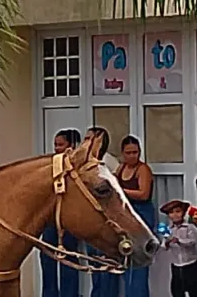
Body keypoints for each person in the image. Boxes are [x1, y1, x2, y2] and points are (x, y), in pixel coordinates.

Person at [41, 128, 82, 297]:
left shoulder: (78, 167)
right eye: (55, 145)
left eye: (61, 144)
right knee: (47, 262)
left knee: (69, 263)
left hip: (69, 221)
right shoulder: (51, 165)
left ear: (71, 146)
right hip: (51, 220)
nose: (57, 148)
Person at [116, 135, 154, 297]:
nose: (132, 156)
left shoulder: (143, 169)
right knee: (126, 261)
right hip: (125, 216)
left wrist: (121, 191)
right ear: (123, 153)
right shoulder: (121, 169)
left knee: (139, 263)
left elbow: (144, 194)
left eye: (135, 152)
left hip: (141, 215)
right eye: (129, 152)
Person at [85, 126, 120, 297]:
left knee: (107, 261)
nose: (84, 143)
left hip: (106, 217)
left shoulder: (109, 162)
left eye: (88, 139)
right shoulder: (84, 162)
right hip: (89, 217)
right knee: (93, 262)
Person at [160, 200, 197, 297]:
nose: (175, 215)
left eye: (178, 211)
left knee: (194, 291)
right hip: (176, 265)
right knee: (177, 291)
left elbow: (193, 242)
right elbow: (163, 246)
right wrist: (167, 242)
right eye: (171, 213)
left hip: (190, 265)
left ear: (183, 212)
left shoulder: (190, 228)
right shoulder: (169, 230)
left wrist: (179, 240)